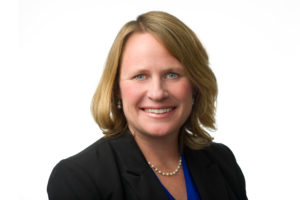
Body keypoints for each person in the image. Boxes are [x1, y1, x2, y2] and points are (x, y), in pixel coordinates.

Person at [47, 11, 247, 200]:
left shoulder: (222, 161)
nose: (157, 93)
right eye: (140, 76)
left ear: (195, 85)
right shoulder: (79, 178)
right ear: (116, 88)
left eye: (172, 74)